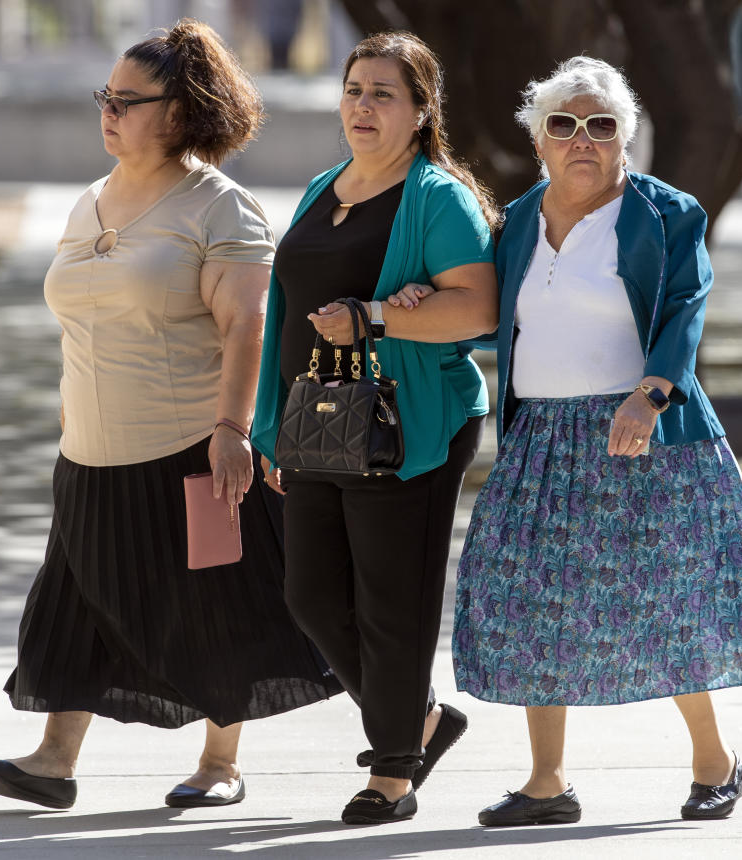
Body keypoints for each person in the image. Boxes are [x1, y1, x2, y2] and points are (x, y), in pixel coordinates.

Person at [0, 19, 341, 812]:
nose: (108, 110)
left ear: (180, 112)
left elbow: (249, 324)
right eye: (105, 96)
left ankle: (220, 764)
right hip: (90, 451)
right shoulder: (89, 202)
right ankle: (53, 760)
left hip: (186, 449)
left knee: (217, 609)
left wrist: (233, 432)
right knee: (72, 606)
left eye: (127, 100)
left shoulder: (219, 208)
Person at [446, 56, 742, 827]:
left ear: (622, 140)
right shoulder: (514, 224)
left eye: (600, 125)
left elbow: (685, 306)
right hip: (541, 440)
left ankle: (717, 763)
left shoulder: (667, 215)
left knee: (667, 601)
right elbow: (482, 310)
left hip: (644, 433)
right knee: (531, 601)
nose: (581, 139)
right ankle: (547, 784)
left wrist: (650, 392)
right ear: (540, 140)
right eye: (563, 125)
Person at [250, 31, 499, 825]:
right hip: (319, 422)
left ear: (422, 110)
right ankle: (421, 721)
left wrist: (378, 316)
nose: (363, 105)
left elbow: (479, 308)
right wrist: (268, 424)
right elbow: (284, 311)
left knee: (394, 601)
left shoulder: (437, 198)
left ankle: (394, 770)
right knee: (312, 596)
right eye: (354, 89)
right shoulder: (329, 185)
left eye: (383, 92)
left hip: (409, 421)